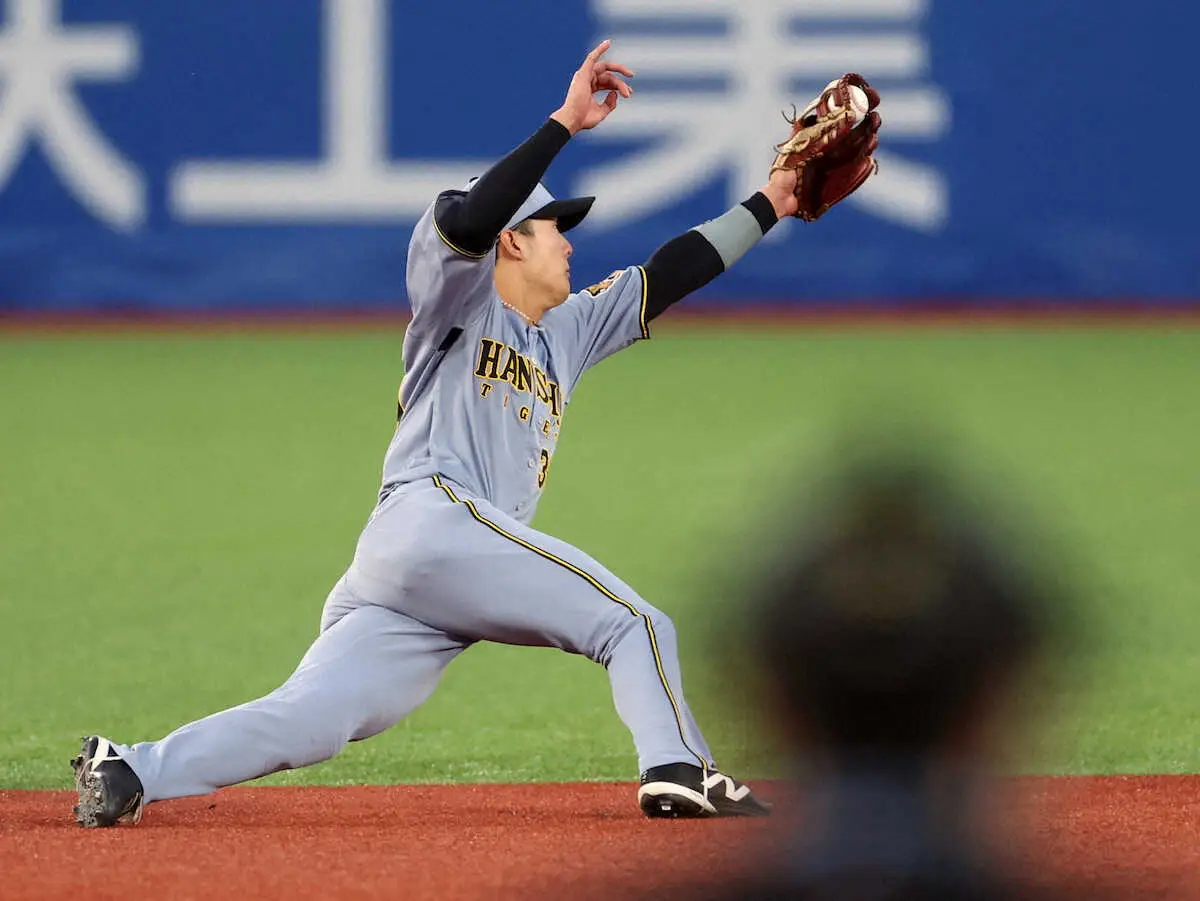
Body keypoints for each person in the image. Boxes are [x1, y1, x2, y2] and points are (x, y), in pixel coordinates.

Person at [71, 39, 861, 828]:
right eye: (555, 227)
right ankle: (679, 767)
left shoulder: (569, 331)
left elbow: (670, 273)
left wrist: (777, 199)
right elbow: (468, 215)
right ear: (513, 241)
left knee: (309, 717)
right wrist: (562, 123)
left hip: (421, 576)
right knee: (635, 623)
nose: (570, 241)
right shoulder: (458, 298)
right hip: (433, 519)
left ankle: (132, 768)